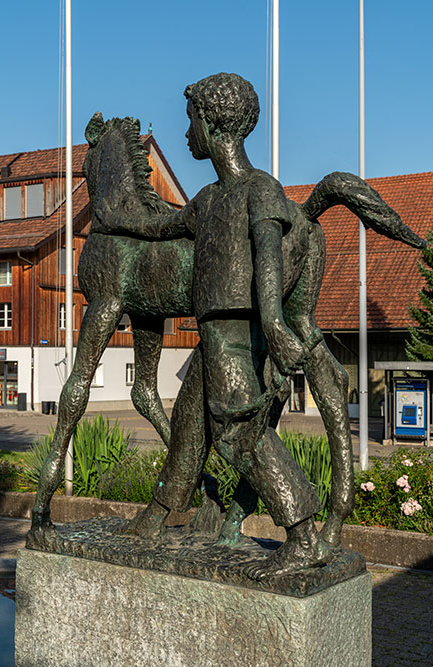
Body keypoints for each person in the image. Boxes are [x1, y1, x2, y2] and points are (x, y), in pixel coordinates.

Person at [127, 73, 331, 578]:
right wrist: (115, 217)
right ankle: (158, 515)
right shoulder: (207, 199)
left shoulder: (259, 190)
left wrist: (277, 323)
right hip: (211, 336)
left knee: (239, 433)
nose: (187, 133)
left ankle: (304, 534)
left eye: (191, 120)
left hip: (238, 335)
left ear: (214, 122)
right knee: (190, 427)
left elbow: (268, 258)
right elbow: (159, 226)